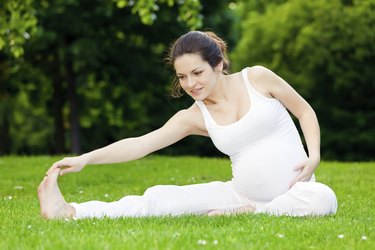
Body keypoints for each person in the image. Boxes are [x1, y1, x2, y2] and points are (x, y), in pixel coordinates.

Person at [38, 31, 337, 219]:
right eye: (182, 77)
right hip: (238, 194)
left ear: (218, 64)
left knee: (324, 198)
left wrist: (314, 156)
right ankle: (71, 212)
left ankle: (254, 213)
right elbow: (141, 144)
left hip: (298, 194)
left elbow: (305, 111)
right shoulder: (194, 116)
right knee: (159, 199)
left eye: (197, 73)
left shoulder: (257, 78)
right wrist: (85, 159)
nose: (190, 84)